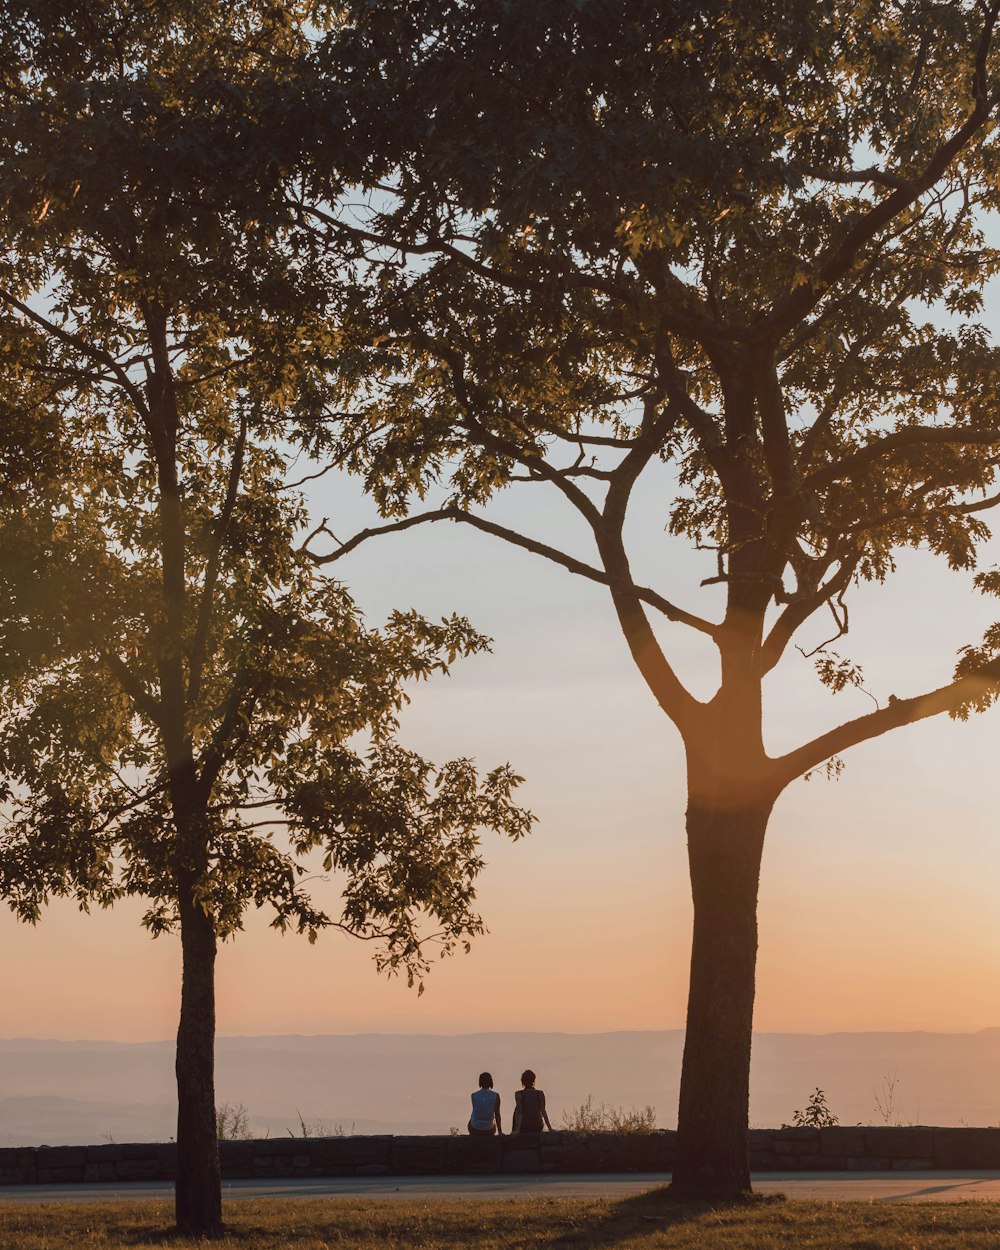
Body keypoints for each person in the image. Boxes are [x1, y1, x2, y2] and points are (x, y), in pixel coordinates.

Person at [512, 1068, 553, 1134]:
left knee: (516, 1109)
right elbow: (543, 1111)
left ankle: (514, 1131)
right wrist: (550, 1128)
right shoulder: (540, 1093)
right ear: (533, 1080)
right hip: (538, 1126)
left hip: (524, 1127)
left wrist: (517, 1130)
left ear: (522, 1081)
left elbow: (519, 1112)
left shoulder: (519, 1094)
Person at [468, 1071, 503, 1136]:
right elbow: (497, 1114)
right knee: (493, 1123)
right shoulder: (495, 1096)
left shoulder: (473, 1095)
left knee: (471, 1119)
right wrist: (500, 1131)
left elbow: (477, 1111)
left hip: (474, 1128)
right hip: (489, 1129)